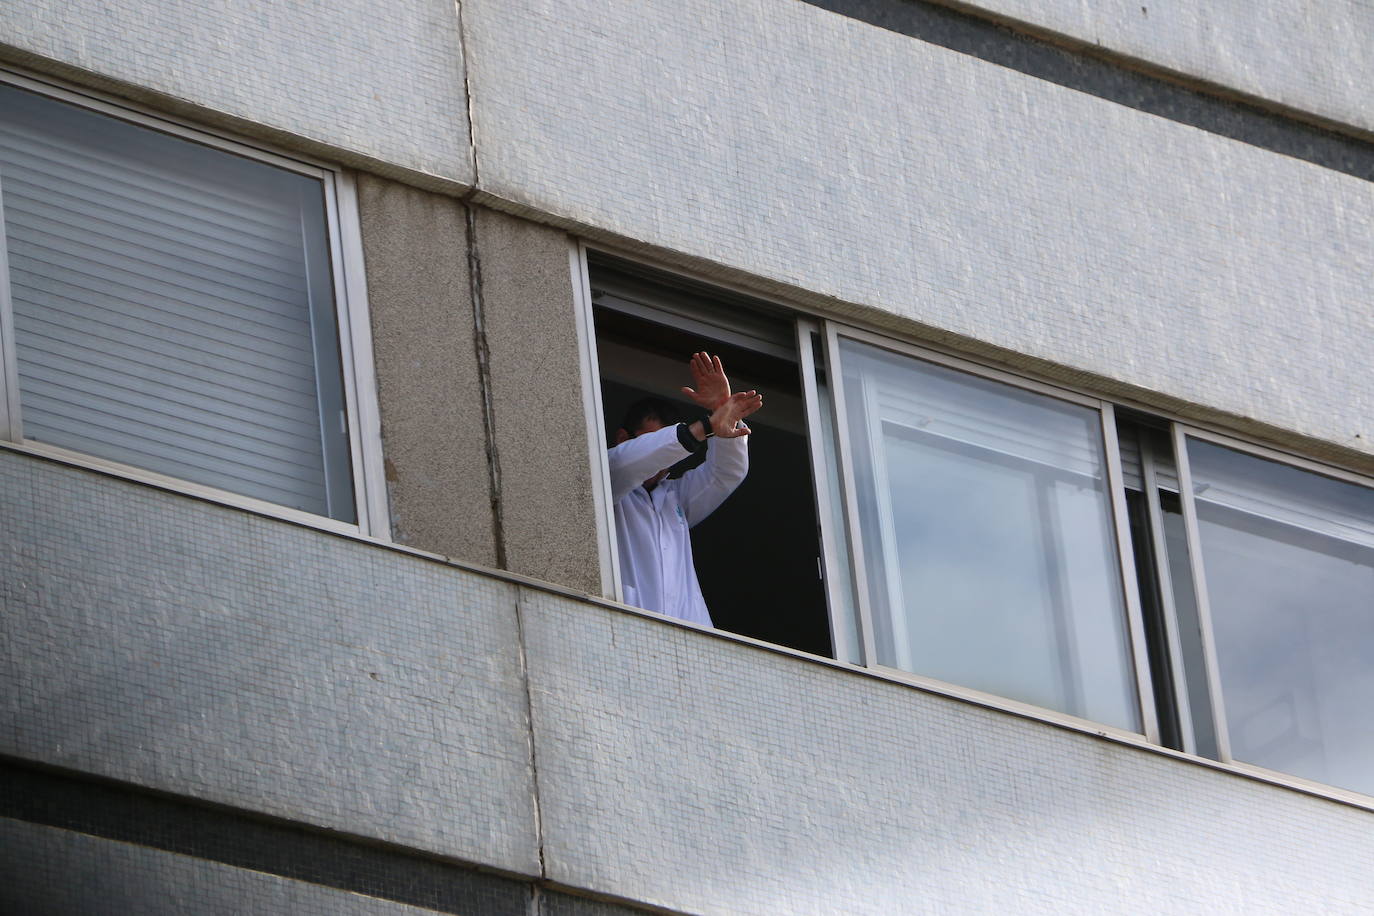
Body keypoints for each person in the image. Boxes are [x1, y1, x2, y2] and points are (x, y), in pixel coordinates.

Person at [607, 352, 763, 626]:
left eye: (668, 451)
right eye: (651, 441)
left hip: (686, 643)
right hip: (626, 630)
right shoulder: (608, 481)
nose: (661, 459)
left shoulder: (675, 497)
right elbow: (627, 462)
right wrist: (704, 427)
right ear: (623, 438)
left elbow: (726, 473)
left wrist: (723, 415)